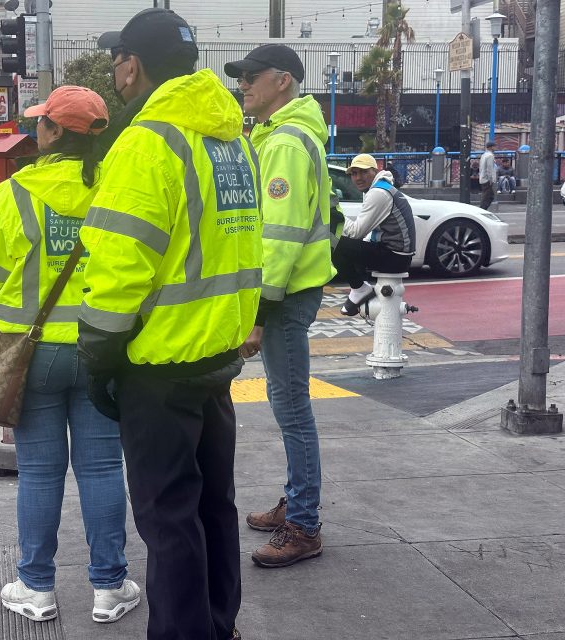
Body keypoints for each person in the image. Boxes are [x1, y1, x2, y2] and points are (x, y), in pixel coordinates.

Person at [79, 9, 262, 640]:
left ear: (133, 63)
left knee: (167, 517)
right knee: (214, 504)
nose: (115, 73)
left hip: (157, 363)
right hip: (215, 352)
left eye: (117, 60)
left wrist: (98, 354)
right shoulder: (229, 138)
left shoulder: (147, 141)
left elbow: (121, 262)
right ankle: (219, 625)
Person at [0, 86, 139, 625]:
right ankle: (108, 587)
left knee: (38, 472)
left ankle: (36, 588)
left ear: (55, 133)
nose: (36, 131)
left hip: (32, 355)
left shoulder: (15, 193)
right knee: (102, 468)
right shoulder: (120, 191)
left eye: (42, 124)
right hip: (102, 349)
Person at [224, 45, 335, 568]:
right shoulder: (277, 135)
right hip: (287, 291)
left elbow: (281, 239)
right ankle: (297, 499)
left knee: (292, 408)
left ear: (283, 81)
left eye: (252, 77)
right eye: (241, 78)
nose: (244, 86)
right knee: (289, 404)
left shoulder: (286, 143)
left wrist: (259, 317)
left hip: (285, 295)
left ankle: (305, 524)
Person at [332, 154, 416, 315]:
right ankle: (360, 289)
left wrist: (333, 214)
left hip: (395, 258)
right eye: (354, 174)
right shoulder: (381, 187)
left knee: (334, 243)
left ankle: (359, 288)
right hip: (397, 254)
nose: (358, 178)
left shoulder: (378, 193)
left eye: (364, 172)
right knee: (352, 248)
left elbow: (356, 232)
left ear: (374, 171)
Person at [479, 141, 497, 210]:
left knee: (487, 195)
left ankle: (482, 208)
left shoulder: (484, 155)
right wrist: (491, 179)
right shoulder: (490, 156)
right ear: (491, 147)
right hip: (487, 179)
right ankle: (482, 209)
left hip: (482, 178)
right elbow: (490, 168)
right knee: (488, 196)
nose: (495, 148)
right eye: (494, 146)